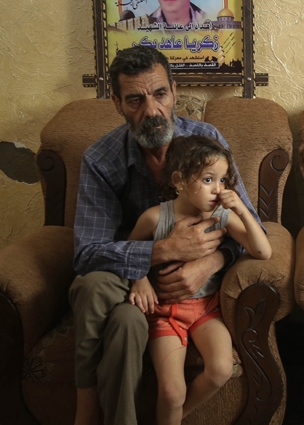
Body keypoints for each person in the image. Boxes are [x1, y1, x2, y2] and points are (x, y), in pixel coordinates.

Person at [69, 45, 259, 425]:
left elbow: (250, 224)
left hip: (179, 289)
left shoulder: (205, 141)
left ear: (174, 91)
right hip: (124, 276)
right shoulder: (101, 158)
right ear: (117, 103)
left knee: (125, 324)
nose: (151, 111)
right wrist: (157, 253)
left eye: (159, 94)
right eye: (135, 100)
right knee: (90, 287)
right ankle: (86, 404)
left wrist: (211, 261)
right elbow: (87, 253)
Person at [126, 135, 271, 425]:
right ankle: (171, 414)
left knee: (220, 369)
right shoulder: (155, 218)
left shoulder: (222, 216)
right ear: (179, 181)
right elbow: (129, 252)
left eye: (223, 180)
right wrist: (138, 280)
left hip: (207, 309)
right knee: (171, 391)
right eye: (208, 179)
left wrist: (240, 208)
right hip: (166, 315)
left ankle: (173, 420)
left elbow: (262, 251)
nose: (218, 189)